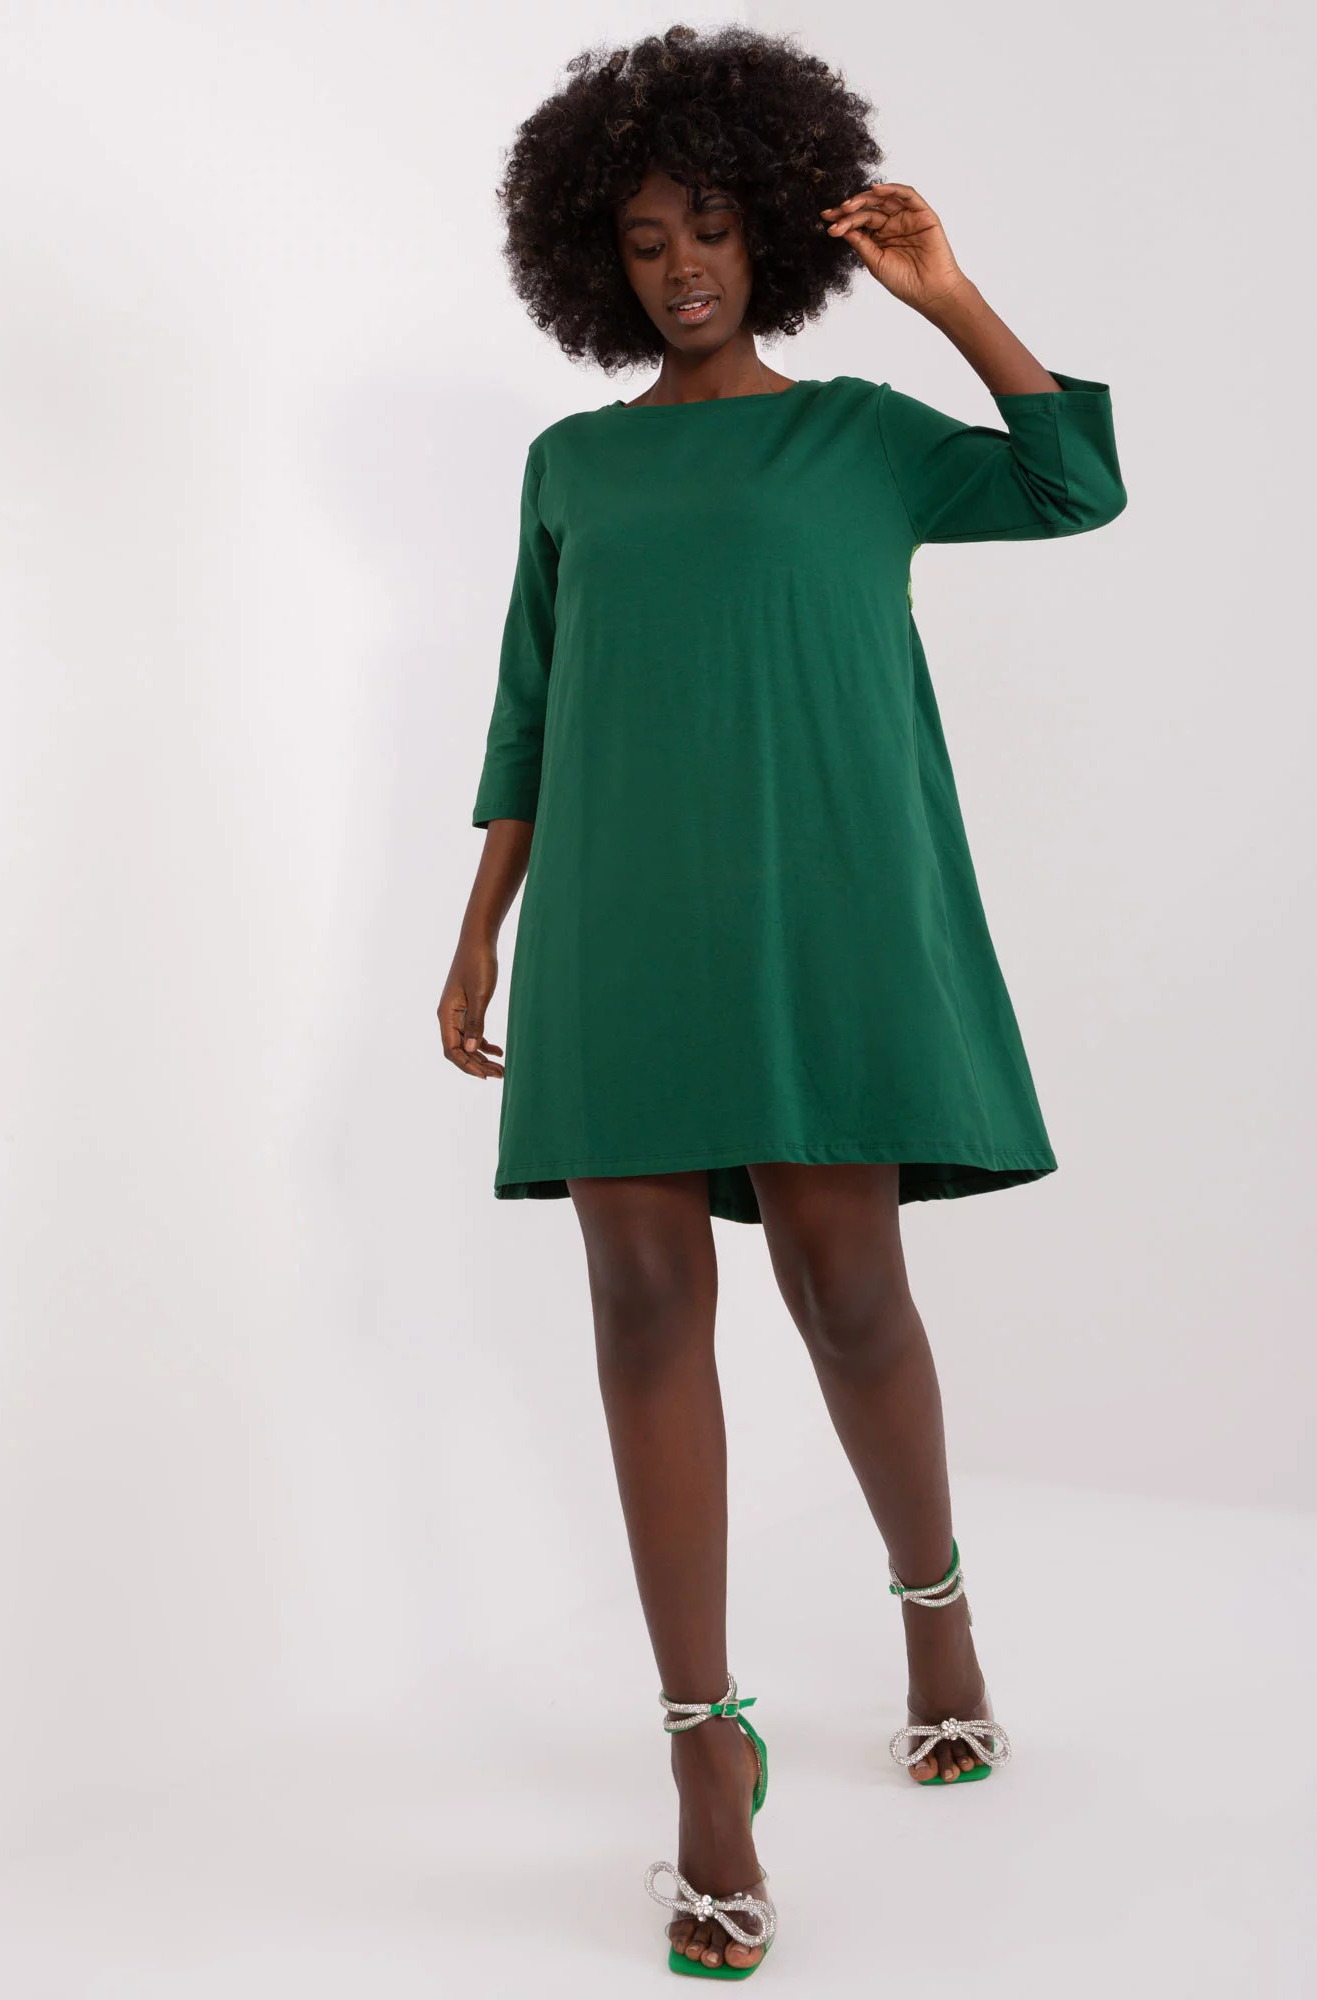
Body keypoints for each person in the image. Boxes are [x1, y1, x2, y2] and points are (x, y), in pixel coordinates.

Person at [438, 24, 1126, 1981]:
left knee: (850, 1294)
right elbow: (530, 710)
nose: (682, 268)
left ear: (770, 230)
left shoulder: (859, 440)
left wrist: (950, 296)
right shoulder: (574, 464)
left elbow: (1074, 485)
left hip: (821, 909)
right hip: (619, 926)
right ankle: (703, 1759)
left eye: (711, 229)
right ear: (598, 262)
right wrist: (482, 922)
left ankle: (937, 1613)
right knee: (645, 1305)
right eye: (645, 241)